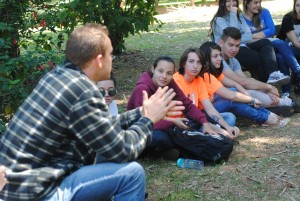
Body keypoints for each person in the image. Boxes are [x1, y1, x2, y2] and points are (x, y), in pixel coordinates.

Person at [0, 23, 184, 201]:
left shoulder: (57, 78)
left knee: (98, 154)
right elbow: (124, 150)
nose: (112, 60)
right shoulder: (83, 90)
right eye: (110, 55)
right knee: (133, 174)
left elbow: (103, 129)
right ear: (98, 60)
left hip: (15, 185)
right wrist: (148, 119)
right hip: (36, 193)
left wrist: (141, 111)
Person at [127, 56, 235, 158]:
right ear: (153, 69)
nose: (164, 76)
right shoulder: (142, 89)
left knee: (189, 123)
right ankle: (158, 153)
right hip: (141, 129)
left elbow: (187, 105)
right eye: (160, 71)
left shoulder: (170, 83)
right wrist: (172, 122)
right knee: (159, 138)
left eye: (169, 73)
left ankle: (174, 148)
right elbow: (144, 122)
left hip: (165, 123)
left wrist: (205, 122)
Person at [199, 40, 290, 127]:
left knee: (237, 91)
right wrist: (252, 100)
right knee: (232, 100)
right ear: (206, 59)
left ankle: (269, 115)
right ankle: (265, 118)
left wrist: (249, 97)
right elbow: (231, 96)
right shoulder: (206, 76)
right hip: (204, 111)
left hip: (212, 103)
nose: (219, 58)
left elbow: (235, 84)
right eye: (215, 56)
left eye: (219, 55)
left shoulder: (213, 72)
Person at [217, 27, 294, 116]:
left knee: (251, 88)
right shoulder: (218, 60)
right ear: (221, 43)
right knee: (247, 93)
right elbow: (243, 83)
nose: (234, 49)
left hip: (231, 93)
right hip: (219, 97)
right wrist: (268, 87)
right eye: (230, 45)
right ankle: (284, 104)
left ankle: (276, 106)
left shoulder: (233, 60)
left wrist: (266, 90)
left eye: (237, 45)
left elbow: (245, 81)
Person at [210, 0, 290, 85]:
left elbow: (249, 35)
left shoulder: (239, 17)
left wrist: (241, 37)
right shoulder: (218, 20)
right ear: (222, 3)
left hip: (243, 46)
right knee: (258, 57)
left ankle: (273, 73)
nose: (232, 4)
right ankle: (264, 85)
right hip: (231, 51)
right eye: (228, 1)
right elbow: (232, 36)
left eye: (234, 1)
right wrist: (233, 13)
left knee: (265, 42)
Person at [173, 47, 240, 137]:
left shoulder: (199, 80)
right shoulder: (176, 81)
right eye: (191, 61)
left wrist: (227, 127)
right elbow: (189, 116)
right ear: (183, 64)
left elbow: (209, 108)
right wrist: (222, 131)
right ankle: (215, 135)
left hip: (198, 119)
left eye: (199, 62)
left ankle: (214, 135)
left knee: (230, 117)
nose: (195, 66)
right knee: (205, 126)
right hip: (182, 123)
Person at [242, 0, 300, 98]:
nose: (258, 5)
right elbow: (244, 38)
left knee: (279, 56)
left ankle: (286, 91)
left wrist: (253, 36)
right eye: (255, 3)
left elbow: (272, 30)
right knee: (280, 43)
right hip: (253, 47)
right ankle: (298, 72)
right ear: (247, 3)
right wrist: (261, 36)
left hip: (267, 46)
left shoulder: (264, 12)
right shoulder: (241, 18)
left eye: (259, 2)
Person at [277, 0, 300, 95]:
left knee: (280, 56)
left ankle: (287, 90)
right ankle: (287, 90)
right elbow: (295, 43)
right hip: (288, 48)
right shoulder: (288, 18)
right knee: (279, 56)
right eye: (298, 5)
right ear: (294, 6)